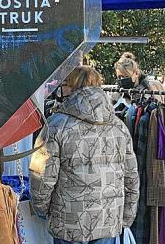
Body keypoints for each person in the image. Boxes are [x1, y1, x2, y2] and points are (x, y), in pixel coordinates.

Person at [30, 66, 139, 244]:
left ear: (73, 88)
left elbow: (41, 177)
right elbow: (131, 177)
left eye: (64, 84)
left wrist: (42, 210)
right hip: (108, 221)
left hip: (68, 223)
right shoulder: (119, 127)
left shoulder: (56, 126)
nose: (60, 89)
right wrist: (126, 217)